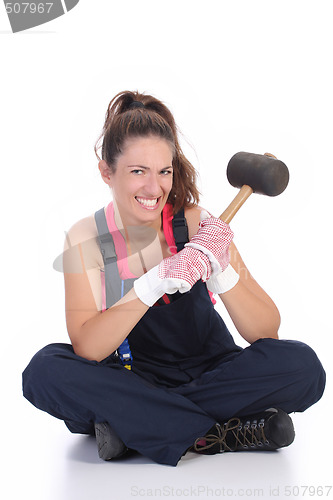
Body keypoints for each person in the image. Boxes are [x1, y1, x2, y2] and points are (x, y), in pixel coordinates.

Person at [23, 91, 325, 466]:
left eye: (164, 171)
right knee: (44, 371)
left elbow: (266, 331)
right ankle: (225, 433)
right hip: (133, 376)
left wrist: (222, 273)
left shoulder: (198, 225)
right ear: (107, 172)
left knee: (303, 366)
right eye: (138, 172)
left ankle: (135, 427)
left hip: (214, 370)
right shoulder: (87, 238)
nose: (154, 189)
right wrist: (152, 283)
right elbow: (88, 348)